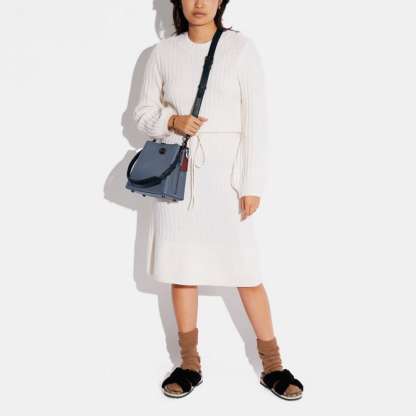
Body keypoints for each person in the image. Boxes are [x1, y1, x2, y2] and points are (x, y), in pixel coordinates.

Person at [133, 0, 304, 400]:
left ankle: (273, 364)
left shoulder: (240, 48)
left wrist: (251, 184)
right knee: (181, 270)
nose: (199, 3)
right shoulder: (162, 53)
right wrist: (171, 120)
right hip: (178, 178)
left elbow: (257, 121)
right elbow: (141, 114)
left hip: (226, 180)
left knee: (246, 273)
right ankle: (188, 363)